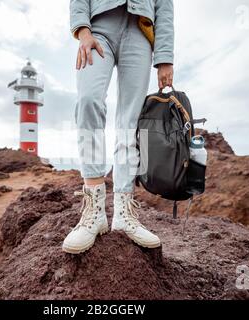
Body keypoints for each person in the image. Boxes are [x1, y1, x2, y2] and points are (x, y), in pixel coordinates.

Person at [63, 0, 174, 254]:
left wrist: (165, 57)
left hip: (141, 31)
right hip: (99, 27)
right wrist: (83, 30)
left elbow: (164, 8)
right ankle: (94, 211)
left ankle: (124, 213)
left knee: (130, 122)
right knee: (88, 101)